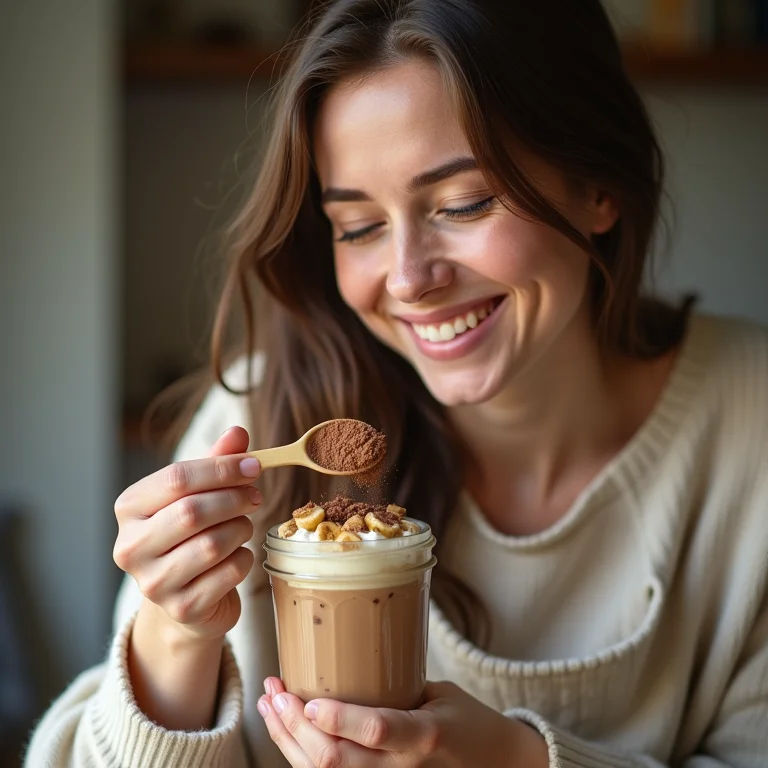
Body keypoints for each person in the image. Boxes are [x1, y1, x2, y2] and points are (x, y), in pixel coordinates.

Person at [25, 0, 768, 766]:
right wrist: (173, 634)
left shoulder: (751, 428)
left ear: (599, 184)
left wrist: (515, 762)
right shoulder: (267, 407)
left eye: (463, 203)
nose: (410, 279)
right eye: (359, 227)